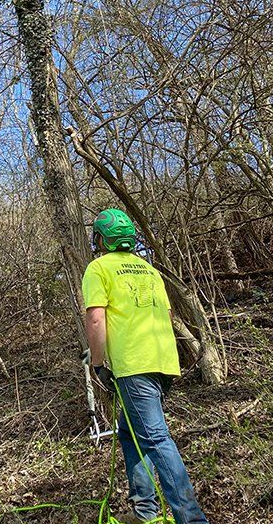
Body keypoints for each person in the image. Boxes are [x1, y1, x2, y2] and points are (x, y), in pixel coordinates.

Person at [82, 208, 209, 524]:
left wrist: (98, 364)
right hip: (163, 362)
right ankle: (145, 512)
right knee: (130, 433)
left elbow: (96, 318)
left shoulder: (99, 269)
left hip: (134, 366)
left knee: (154, 438)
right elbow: (164, 317)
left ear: (101, 239)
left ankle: (192, 519)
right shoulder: (148, 270)